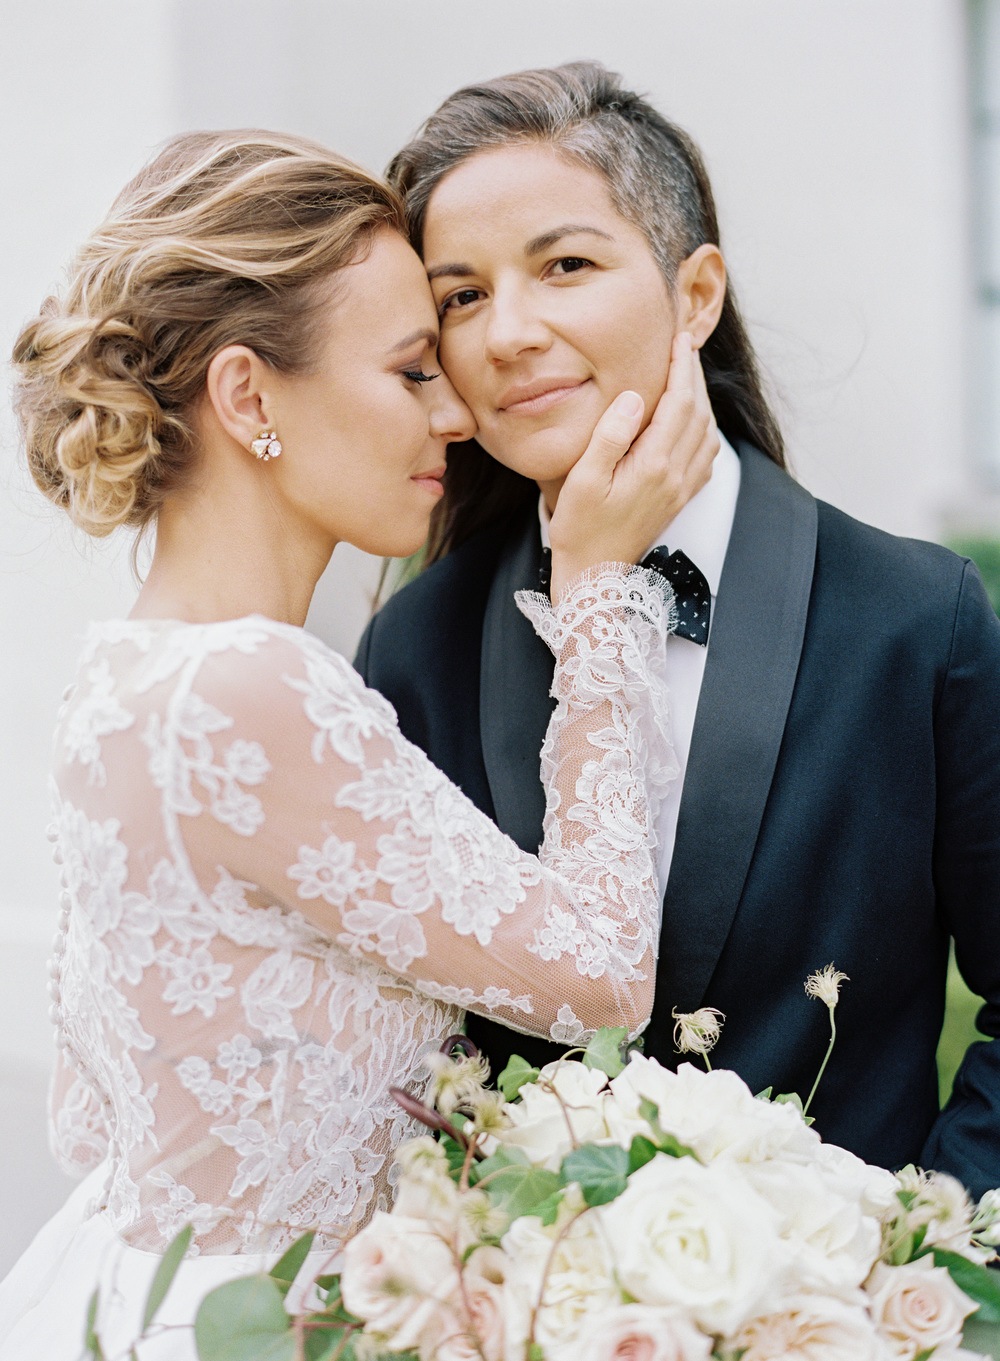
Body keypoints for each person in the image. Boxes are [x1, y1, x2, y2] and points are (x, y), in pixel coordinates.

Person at [0, 129, 718, 1356]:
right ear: (248, 397)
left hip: (147, 1288)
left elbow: (94, 1112)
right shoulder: (253, 685)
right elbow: (602, 977)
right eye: (410, 371)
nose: (455, 411)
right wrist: (598, 587)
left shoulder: (124, 673)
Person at [355, 61, 1000, 1200]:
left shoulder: (914, 619)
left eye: (565, 265)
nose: (509, 333)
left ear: (694, 294)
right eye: (460, 297)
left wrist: (927, 1248)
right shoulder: (415, 647)